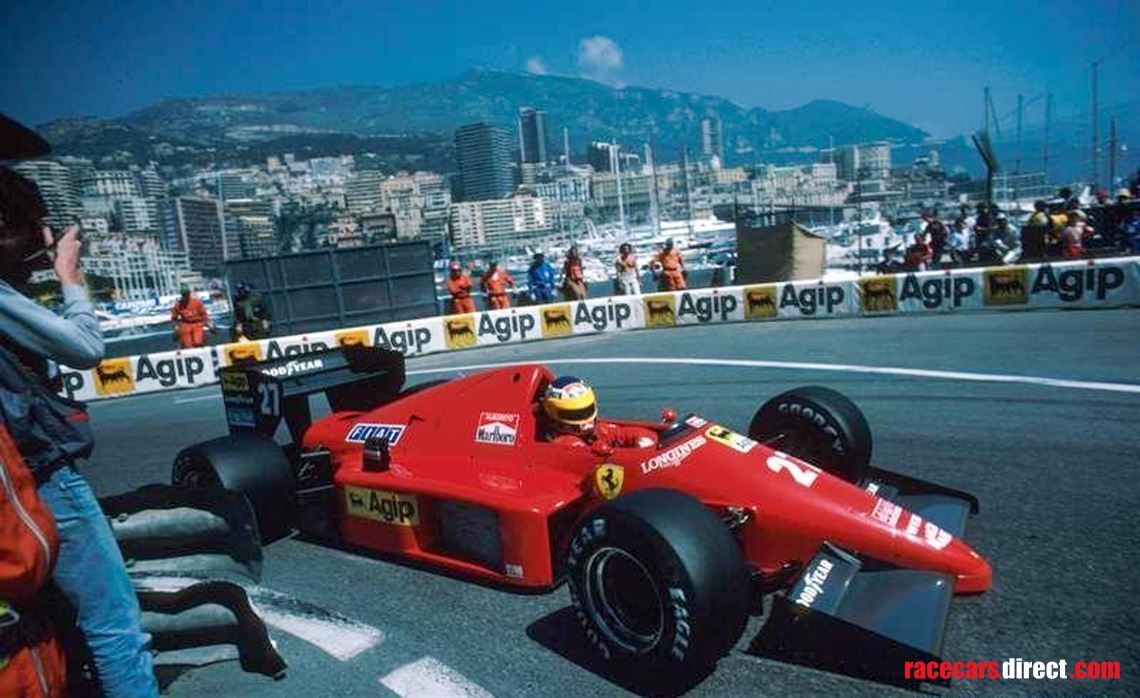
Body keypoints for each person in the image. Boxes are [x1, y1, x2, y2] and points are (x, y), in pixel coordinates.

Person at [0, 166, 158, 697]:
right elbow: (86, 347)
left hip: (13, 481)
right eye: (33, 225)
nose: (42, 237)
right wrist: (69, 273)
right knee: (115, 621)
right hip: (38, 476)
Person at [539, 376, 657, 452]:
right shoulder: (565, 443)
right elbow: (590, 457)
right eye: (576, 415)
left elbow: (620, 434)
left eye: (587, 410)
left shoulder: (598, 430)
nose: (587, 422)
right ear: (555, 415)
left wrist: (644, 442)